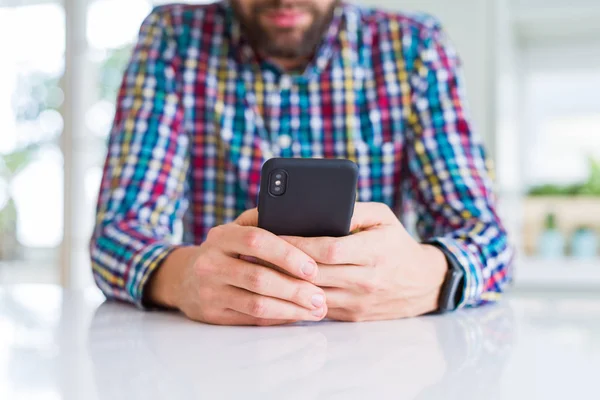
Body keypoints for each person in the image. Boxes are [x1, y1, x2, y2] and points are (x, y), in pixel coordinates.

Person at [90, 0, 514, 325]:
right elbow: (118, 233)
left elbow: (488, 239)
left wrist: (433, 276)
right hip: (215, 349)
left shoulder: (414, 46)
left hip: (374, 356)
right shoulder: (174, 37)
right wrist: (182, 279)